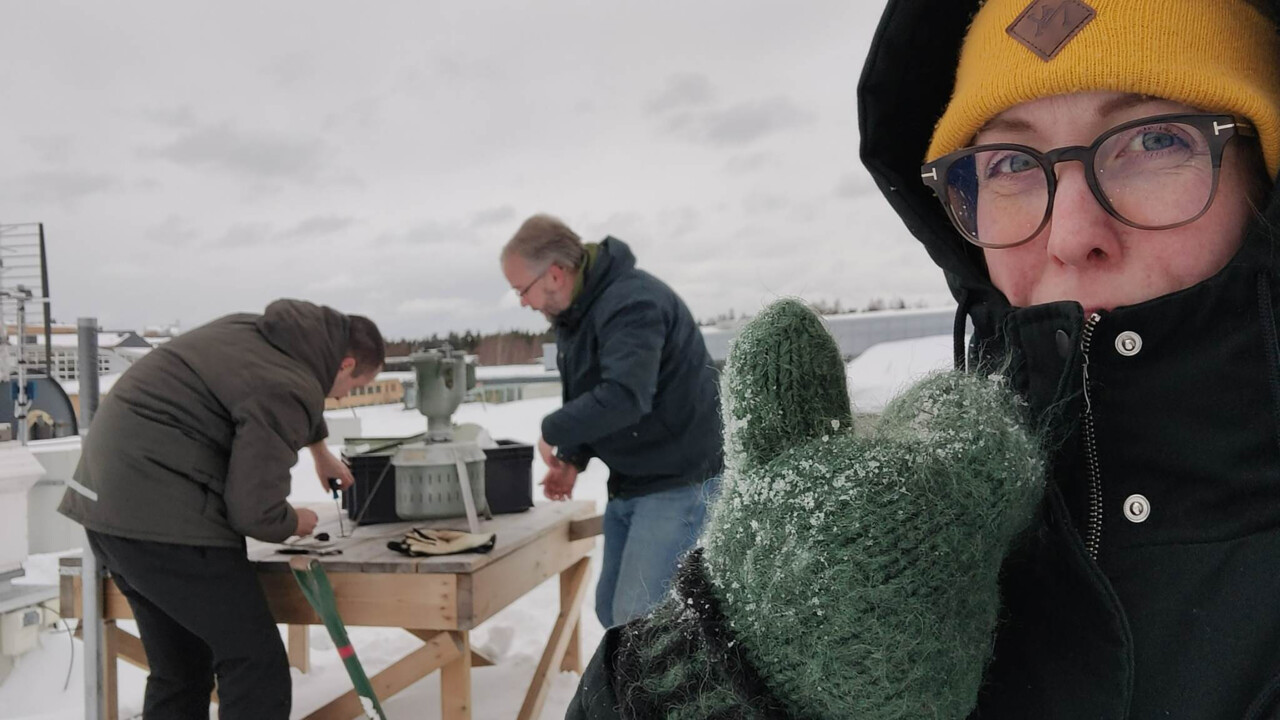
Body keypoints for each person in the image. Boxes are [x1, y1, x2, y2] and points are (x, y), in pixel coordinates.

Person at [859, 0, 1280, 716]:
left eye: (1153, 142)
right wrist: (723, 667)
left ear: (1262, 180)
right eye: (1011, 163)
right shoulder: (914, 538)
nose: (1070, 234)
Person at [59, 298, 384, 719]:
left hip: (105, 508)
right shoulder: (290, 385)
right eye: (354, 386)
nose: (345, 397)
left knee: (181, 668)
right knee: (255, 664)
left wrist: (319, 449)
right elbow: (253, 510)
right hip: (166, 516)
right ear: (345, 364)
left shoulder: (255, 332)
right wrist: (292, 521)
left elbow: (273, 388)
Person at [499, 214, 722, 629]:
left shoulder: (632, 303)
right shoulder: (576, 314)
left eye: (521, 290)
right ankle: (637, 692)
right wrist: (572, 458)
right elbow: (592, 392)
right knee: (613, 615)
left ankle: (669, 694)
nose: (524, 302)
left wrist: (553, 429)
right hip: (634, 479)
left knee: (640, 623)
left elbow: (624, 396)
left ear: (554, 274)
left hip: (679, 479)